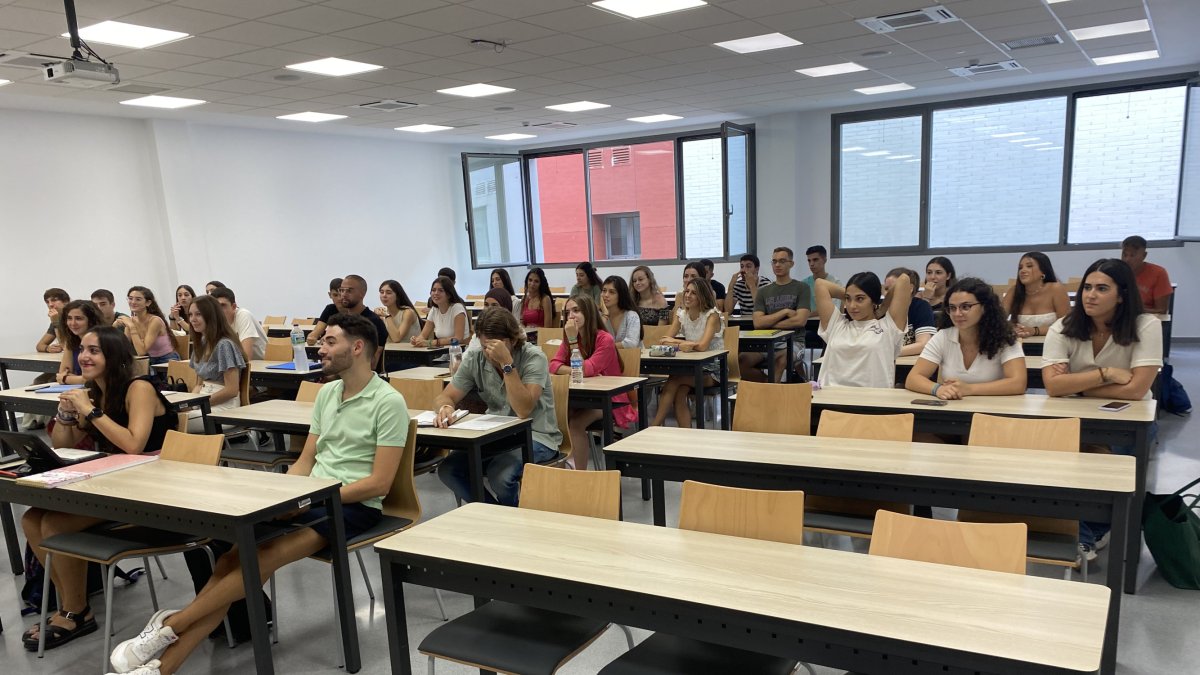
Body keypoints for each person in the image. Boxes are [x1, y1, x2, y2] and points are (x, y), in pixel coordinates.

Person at [108, 314, 408, 675]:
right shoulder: (328, 393)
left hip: (353, 505)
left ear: (357, 348)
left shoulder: (387, 402)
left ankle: (169, 628)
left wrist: (310, 499)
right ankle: (161, 667)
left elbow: (379, 484)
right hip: (310, 496)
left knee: (262, 556)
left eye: (330, 342)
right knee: (230, 561)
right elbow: (305, 460)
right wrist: (288, 496)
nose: (320, 348)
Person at [22, 326, 177, 652]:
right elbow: (63, 444)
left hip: (155, 487)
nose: (84, 357)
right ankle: (69, 603)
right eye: (82, 350)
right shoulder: (94, 391)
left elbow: (134, 444)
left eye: (94, 351)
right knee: (32, 518)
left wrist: (91, 411)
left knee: (55, 523)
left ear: (114, 355)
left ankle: (76, 612)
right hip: (116, 481)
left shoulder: (139, 388)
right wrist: (66, 414)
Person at [1042, 258, 1162, 560]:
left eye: (1102, 289)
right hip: (1076, 416)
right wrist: (1105, 374)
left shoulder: (1146, 325)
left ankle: (1087, 533)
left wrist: (1077, 386)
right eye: (1087, 288)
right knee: (1058, 456)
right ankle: (1082, 532)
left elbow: (1136, 390)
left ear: (1122, 295)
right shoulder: (1063, 327)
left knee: (1109, 466)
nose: (1090, 295)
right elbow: (1053, 386)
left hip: (1130, 419)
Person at [433, 308, 561, 506]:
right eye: (485, 346)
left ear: (513, 340)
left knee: (500, 475)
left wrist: (507, 364)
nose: (490, 353)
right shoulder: (475, 357)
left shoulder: (533, 357)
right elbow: (445, 396)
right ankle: (494, 513)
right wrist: (445, 408)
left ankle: (506, 517)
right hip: (496, 435)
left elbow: (523, 410)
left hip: (537, 436)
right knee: (449, 469)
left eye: (495, 346)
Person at [550, 295, 636, 469]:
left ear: (588, 313)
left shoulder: (605, 339)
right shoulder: (570, 337)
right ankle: (562, 468)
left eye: (576, 311)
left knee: (575, 424)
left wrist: (572, 342)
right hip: (582, 396)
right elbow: (553, 365)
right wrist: (574, 370)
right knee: (558, 418)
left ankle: (579, 474)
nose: (571, 316)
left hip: (609, 399)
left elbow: (586, 369)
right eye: (567, 312)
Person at [905, 278, 1026, 399]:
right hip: (954, 407)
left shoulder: (1004, 337)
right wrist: (938, 389)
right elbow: (913, 378)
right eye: (952, 308)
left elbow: (1018, 383)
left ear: (984, 307)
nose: (957, 314)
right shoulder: (943, 336)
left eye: (966, 307)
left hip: (994, 408)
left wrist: (969, 389)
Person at [649, 278, 724, 429]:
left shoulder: (712, 315)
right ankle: (686, 432)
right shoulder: (682, 314)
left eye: (693, 293)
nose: (688, 295)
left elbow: (702, 346)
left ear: (702, 296)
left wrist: (676, 342)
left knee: (674, 380)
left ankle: (654, 426)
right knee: (679, 392)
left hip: (714, 370)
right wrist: (681, 344)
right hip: (692, 369)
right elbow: (664, 341)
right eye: (687, 291)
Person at [815, 272, 910, 388]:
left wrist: (883, 306)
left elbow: (904, 280)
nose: (852, 306)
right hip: (832, 395)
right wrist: (852, 292)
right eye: (848, 299)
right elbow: (820, 284)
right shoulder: (836, 325)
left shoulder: (888, 327)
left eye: (860, 299)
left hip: (872, 397)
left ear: (873, 299)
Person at [744, 247, 810, 382]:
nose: (777, 265)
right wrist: (784, 312)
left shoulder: (802, 287)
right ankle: (771, 387)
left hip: (794, 342)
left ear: (791, 264)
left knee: (780, 359)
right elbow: (758, 323)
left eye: (782, 261)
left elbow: (800, 321)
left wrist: (769, 323)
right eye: (774, 261)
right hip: (767, 341)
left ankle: (771, 391)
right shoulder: (763, 291)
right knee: (741, 361)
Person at [185, 296, 245, 430]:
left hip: (224, 406)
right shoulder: (201, 343)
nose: (193, 319)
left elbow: (231, 390)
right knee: (169, 415)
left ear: (211, 316)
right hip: (204, 401)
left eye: (198, 314)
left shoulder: (224, 345)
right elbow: (198, 384)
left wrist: (199, 404)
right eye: (190, 315)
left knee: (171, 421)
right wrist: (189, 404)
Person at [312, 276, 389, 368]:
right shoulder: (340, 320)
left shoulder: (373, 322)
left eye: (349, 291)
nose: (343, 294)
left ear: (362, 294)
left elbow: (372, 363)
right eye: (342, 290)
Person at [1003, 252, 1070, 338]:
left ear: (1043, 271)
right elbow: (997, 321)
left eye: (1029, 266)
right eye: (1020, 268)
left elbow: (1065, 325)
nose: (1022, 271)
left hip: (1052, 342)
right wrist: (1011, 328)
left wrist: (1034, 331)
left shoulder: (1056, 289)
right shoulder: (1014, 291)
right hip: (1021, 343)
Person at [115, 286, 179, 366]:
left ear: (148, 303)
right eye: (130, 298)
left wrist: (131, 327)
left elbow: (142, 352)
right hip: (150, 360)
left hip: (167, 359)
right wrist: (114, 327)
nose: (133, 302)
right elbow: (124, 346)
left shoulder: (155, 321)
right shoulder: (131, 321)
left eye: (138, 299)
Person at [883, 268, 936, 357]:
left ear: (910, 288)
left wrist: (886, 352)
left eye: (893, 288)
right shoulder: (880, 309)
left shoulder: (921, 307)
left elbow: (923, 344)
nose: (887, 294)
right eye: (886, 289)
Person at [209, 287, 267, 362]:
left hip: (262, 364)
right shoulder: (214, 321)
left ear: (233, 307)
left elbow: (246, 357)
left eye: (223, 305)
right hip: (237, 364)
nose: (218, 310)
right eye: (215, 307)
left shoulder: (243, 315)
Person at [55, 300, 104, 386]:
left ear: (91, 320)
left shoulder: (103, 340)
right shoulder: (71, 341)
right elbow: (62, 374)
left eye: (78, 318)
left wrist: (67, 379)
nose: (73, 323)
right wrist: (72, 378)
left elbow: (98, 379)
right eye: (69, 318)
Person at [412, 275, 469, 348]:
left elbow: (458, 339)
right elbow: (423, 335)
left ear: (449, 294)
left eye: (441, 290)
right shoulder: (434, 310)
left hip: (460, 350)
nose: (436, 293)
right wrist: (417, 340)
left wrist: (431, 342)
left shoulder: (457, 308)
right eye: (433, 290)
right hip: (442, 350)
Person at [1120, 235, 1172, 313]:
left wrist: (1134, 311)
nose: (1127, 259)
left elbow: (1161, 311)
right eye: (1124, 255)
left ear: (1144, 256)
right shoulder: (1117, 271)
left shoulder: (1158, 273)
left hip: (1146, 317)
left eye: (1132, 255)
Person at [600, 275, 642, 348]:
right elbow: (592, 341)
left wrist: (606, 347)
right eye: (604, 291)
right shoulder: (600, 315)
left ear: (621, 295)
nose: (606, 295)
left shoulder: (631, 315)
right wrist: (605, 316)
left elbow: (631, 343)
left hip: (632, 355)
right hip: (607, 355)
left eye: (612, 292)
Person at [374, 279, 421, 344]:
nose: (384, 295)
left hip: (406, 349)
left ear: (398, 295)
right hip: (389, 348)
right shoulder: (383, 312)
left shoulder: (408, 312)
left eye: (388, 293)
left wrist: (387, 316)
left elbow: (397, 338)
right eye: (382, 292)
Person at [305, 278, 344, 345]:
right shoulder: (329, 309)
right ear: (330, 295)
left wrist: (330, 336)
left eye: (341, 295)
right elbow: (315, 333)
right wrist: (312, 338)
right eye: (335, 295)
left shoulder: (354, 309)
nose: (339, 298)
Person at [801, 245, 840, 311]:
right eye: (809, 261)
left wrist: (808, 314)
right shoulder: (804, 284)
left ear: (824, 260)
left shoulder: (835, 282)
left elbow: (833, 310)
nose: (811, 264)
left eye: (815, 260)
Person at [36, 288, 70, 354]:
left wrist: (55, 322)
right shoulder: (57, 318)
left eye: (54, 300)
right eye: (47, 302)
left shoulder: (75, 317)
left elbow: (66, 347)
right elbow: (39, 345)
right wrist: (48, 348)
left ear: (66, 301)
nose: (50, 305)